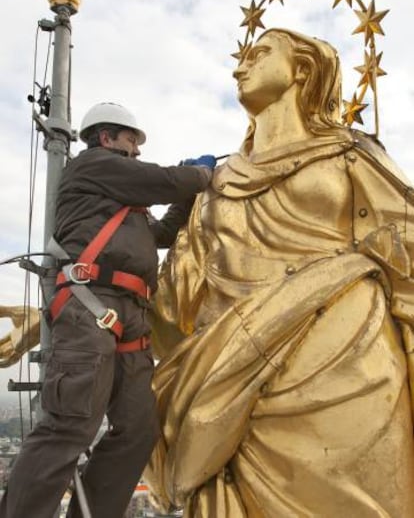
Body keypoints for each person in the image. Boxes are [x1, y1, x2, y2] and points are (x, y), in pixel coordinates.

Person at [143, 30, 414, 517]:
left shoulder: (350, 152)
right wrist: (79, 307)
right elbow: (173, 301)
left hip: (352, 367)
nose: (238, 68)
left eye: (259, 53)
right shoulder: (215, 185)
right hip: (225, 389)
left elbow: (407, 245)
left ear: (303, 70)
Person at [0, 101, 216, 518]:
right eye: (132, 140)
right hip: (89, 306)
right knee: (70, 424)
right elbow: (166, 180)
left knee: (138, 430)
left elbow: (164, 232)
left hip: (129, 315)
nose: (136, 149)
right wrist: (200, 174)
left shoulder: (123, 204)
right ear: (106, 137)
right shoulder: (92, 165)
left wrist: (187, 198)